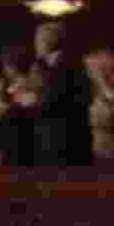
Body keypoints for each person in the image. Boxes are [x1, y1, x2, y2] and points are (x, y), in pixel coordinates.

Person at [31, 23, 93, 167]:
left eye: (37, 39)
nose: (35, 44)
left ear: (48, 41)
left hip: (68, 139)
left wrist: (39, 96)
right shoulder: (39, 66)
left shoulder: (73, 62)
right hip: (45, 138)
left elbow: (74, 99)